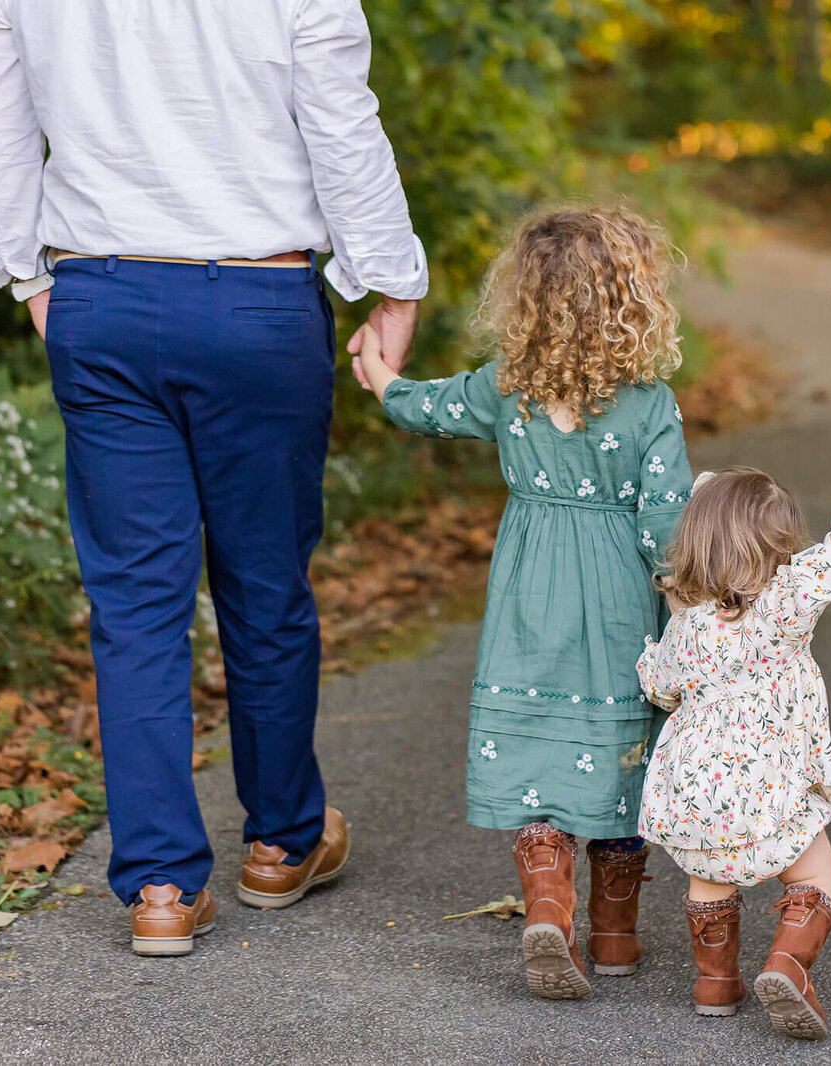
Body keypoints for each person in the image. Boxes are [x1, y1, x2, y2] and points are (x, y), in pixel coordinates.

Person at [0, 0, 427, 956]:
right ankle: (281, 843)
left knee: (134, 603)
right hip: (258, 301)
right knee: (264, 584)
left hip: (102, 299)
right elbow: (341, 119)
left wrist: (26, 273)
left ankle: (162, 886)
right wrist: (392, 277)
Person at [353, 206, 692, 1000]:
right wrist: (693, 608)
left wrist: (378, 367)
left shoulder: (506, 389)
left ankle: (546, 901)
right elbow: (667, 528)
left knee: (543, 743)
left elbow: (418, 406)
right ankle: (613, 939)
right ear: (631, 300)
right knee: (618, 748)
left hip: (527, 594)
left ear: (525, 301)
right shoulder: (649, 404)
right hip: (616, 600)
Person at [638, 463, 831, 1041]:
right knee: (814, 873)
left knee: (710, 879)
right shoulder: (784, 602)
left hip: (695, 791)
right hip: (769, 783)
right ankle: (787, 964)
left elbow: (660, 687)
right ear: (776, 546)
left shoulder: (689, 626)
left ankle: (715, 985)